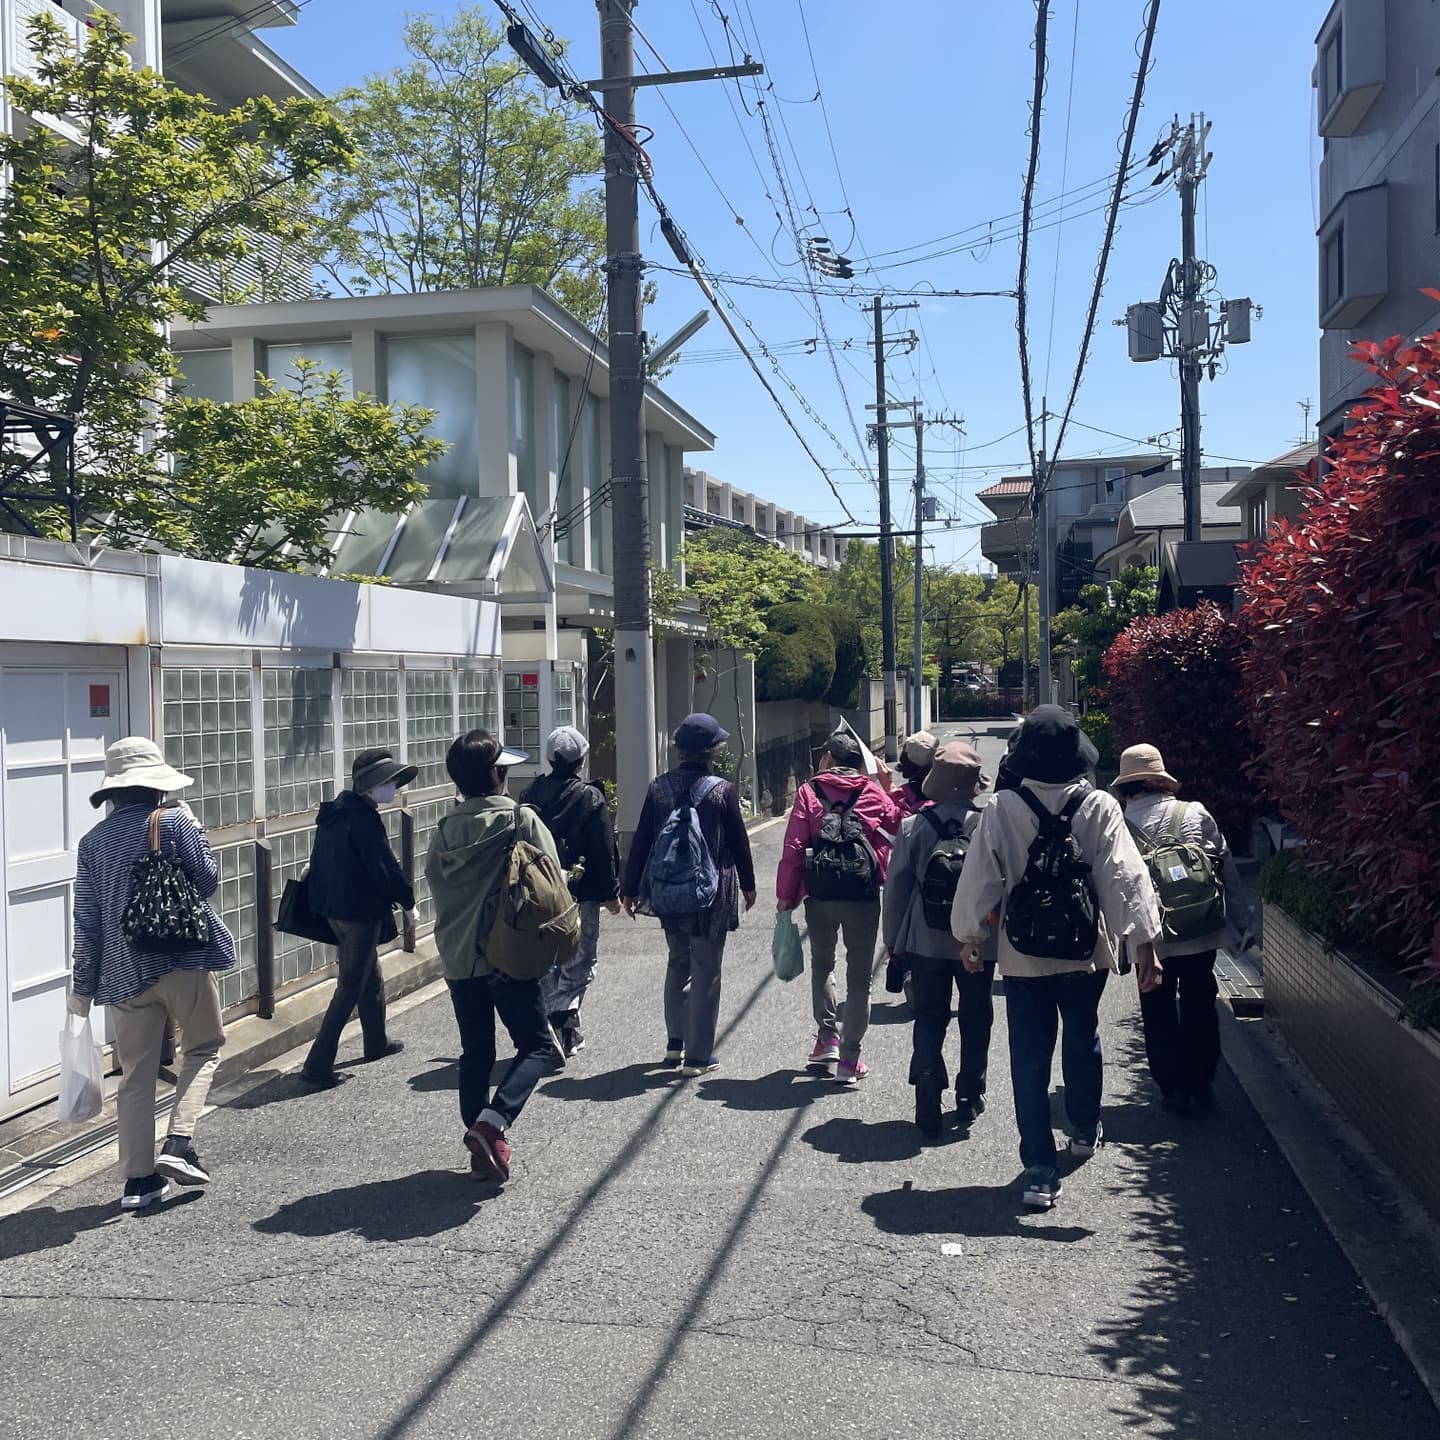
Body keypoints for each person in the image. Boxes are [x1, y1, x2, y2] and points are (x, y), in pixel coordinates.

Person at [950, 706, 1163, 1210]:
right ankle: (1085, 1128)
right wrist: (1145, 944)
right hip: (1083, 949)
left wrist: (970, 937)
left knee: (1028, 1057)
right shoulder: (1099, 806)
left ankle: (1040, 1170)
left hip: (1023, 954)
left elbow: (979, 878)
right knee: (1082, 1036)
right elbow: (1123, 876)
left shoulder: (1001, 806)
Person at [68, 737, 235, 1211]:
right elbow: (207, 882)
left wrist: (83, 988)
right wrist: (193, 833)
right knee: (203, 1049)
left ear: (113, 791)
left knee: (136, 1075)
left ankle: (138, 1183)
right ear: (157, 785)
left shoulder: (92, 843)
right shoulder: (176, 820)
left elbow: (88, 919)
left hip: (123, 975)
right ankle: (179, 1143)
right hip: (182, 959)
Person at [425, 731, 558, 1183]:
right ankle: (493, 1122)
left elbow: (438, 889)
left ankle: (481, 1148)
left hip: (460, 957)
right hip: (509, 954)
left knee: (475, 1052)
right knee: (537, 1045)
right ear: (497, 774)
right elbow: (552, 880)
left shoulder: (443, 831)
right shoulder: (521, 820)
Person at [1114, 742, 1257, 1115]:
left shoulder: (1121, 825)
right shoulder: (1194, 812)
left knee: (1157, 1009)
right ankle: (1202, 1083)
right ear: (1162, 780)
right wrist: (1242, 925)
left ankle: (1172, 1089)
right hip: (1200, 928)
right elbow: (1225, 868)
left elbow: (1118, 883)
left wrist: (1120, 942)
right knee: (1199, 1003)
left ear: (1127, 786)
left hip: (1153, 938)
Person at [620, 713, 757, 1077]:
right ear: (711, 751)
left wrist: (630, 888)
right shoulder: (720, 790)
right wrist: (749, 883)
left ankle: (674, 1045)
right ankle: (698, 1056)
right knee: (707, 968)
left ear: (680, 749)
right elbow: (739, 841)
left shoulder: (659, 788)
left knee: (678, 961)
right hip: (711, 890)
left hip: (668, 889)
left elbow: (643, 840)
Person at [883, 740, 997, 1137]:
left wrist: (893, 941)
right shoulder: (987, 825)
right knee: (976, 1013)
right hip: (979, 939)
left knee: (930, 1014)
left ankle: (928, 1079)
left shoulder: (914, 825)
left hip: (924, 937)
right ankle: (969, 1093)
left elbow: (896, 886)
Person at [776, 729, 901, 1085]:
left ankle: (826, 1038)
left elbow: (794, 846)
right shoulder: (872, 791)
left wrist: (787, 896)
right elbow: (897, 824)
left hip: (821, 893)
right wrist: (886, 785)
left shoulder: (809, 791)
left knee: (822, 964)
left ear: (828, 759)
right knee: (860, 977)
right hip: (861, 893)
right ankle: (849, 1060)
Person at [300, 749, 416, 1088]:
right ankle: (317, 1065)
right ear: (373, 784)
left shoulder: (335, 813)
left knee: (369, 974)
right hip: (360, 912)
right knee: (350, 985)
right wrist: (408, 901)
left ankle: (376, 1041)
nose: (394, 787)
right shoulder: (364, 819)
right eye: (390, 781)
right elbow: (385, 868)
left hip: (334, 909)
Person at [520, 725, 621, 1057]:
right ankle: (560, 1017)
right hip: (581, 893)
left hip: (538, 892)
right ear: (581, 760)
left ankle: (561, 1028)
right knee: (579, 961)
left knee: (546, 961)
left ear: (550, 759)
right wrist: (612, 892)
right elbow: (604, 849)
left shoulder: (529, 796)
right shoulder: (590, 797)